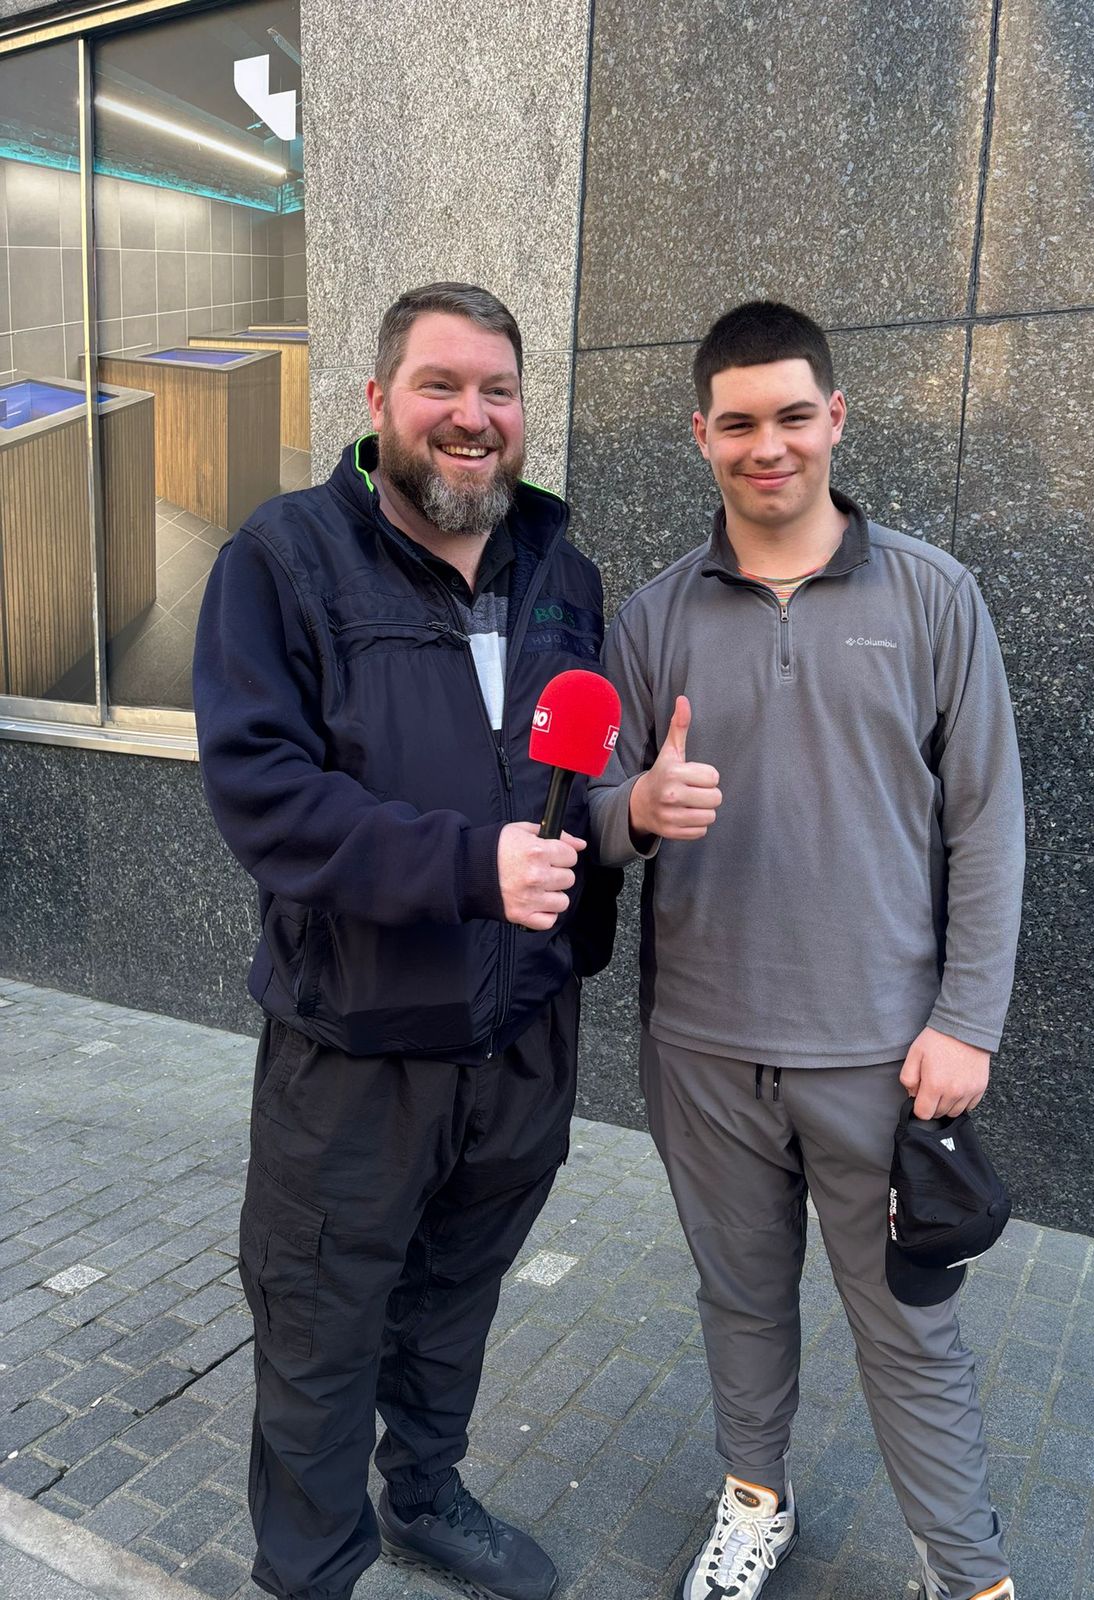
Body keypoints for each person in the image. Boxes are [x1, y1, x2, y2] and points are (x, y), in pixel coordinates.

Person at [589, 300, 1024, 1600]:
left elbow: (989, 824)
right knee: (740, 1301)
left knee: (909, 1329)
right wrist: (635, 815)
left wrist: (970, 1020)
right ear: (701, 435)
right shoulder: (655, 615)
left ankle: (967, 1572)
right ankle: (755, 1500)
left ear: (834, 418)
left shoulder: (933, 596)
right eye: (738, 422)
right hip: (705, 1054)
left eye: (792, 415)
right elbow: (590, 810)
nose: (766, 445)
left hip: (881, 1060)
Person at [194, 282, 618, 1600]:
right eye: (441, 386)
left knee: (453, 1310)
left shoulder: (564, 572)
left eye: (498, 390)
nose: (472, 416)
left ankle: (424, 1496)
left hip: (519, 1048)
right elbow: (265, 795)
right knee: (321, 1338)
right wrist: (463, 867)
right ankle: (312, 1572)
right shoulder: (285, 561)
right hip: (356, 1061)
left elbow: (574, 786)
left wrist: (628, 825)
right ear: (377, 404)